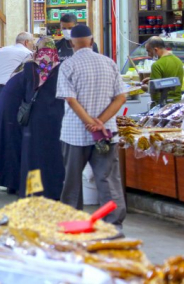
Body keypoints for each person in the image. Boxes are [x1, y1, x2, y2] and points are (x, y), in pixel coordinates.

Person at [56, 24, 127, 228]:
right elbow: (121, 97)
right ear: (92, 41)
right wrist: (100, 122)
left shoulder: (68, 66)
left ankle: (72, 221)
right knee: (108, 180)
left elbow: (70, 100)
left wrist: (89, 122)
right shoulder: (109, 63)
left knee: (72, 181)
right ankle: (114, 224)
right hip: (106, 133)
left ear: (71, 44)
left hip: (75, 133)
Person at [18, 40, 66, 200]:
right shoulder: (61, 67)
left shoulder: (29, 67)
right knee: (54, 154)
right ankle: (54, 191)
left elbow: (24, 91)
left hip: (34, 117)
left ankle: (33, 191)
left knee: (33, 156)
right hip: (56, 117)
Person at [0, 32, 34, 113]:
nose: (33, 46)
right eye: (32, 43)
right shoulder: (28, 53)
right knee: (10, 123)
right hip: (9, 91)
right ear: (26, 42)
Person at [143, 36, 184, 105]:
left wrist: (147, 88)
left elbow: (155, 93)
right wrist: (152, 80)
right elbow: (170, 79)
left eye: (148, 51)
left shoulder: (157, 65)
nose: (148, 55)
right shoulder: (178, 61)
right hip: (177, 102)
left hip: (162, 105)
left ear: (155, 50)